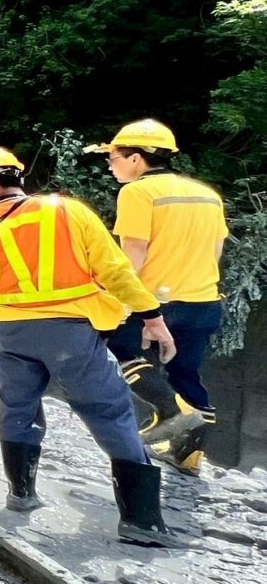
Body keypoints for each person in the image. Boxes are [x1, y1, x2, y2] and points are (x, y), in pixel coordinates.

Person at [0, 147, 176, 545]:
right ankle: (142, 522)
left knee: (18, 406)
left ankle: (21, 494)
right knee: (108, 410)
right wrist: (152, 316)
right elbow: (116, 269)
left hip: (10, 331)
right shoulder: (70, 211)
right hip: (71, 332)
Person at [88, 120, 229, 476]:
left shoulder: (137, 193)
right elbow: (215, 251)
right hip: (203, 300)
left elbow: (132, 254)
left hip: (153, 300)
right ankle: (189, 456)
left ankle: (173, 413)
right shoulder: (207, 194)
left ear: (136, 158)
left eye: (114, 157)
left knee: (118, 350)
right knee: (186, 372)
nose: (110, 164)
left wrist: (118, 301)